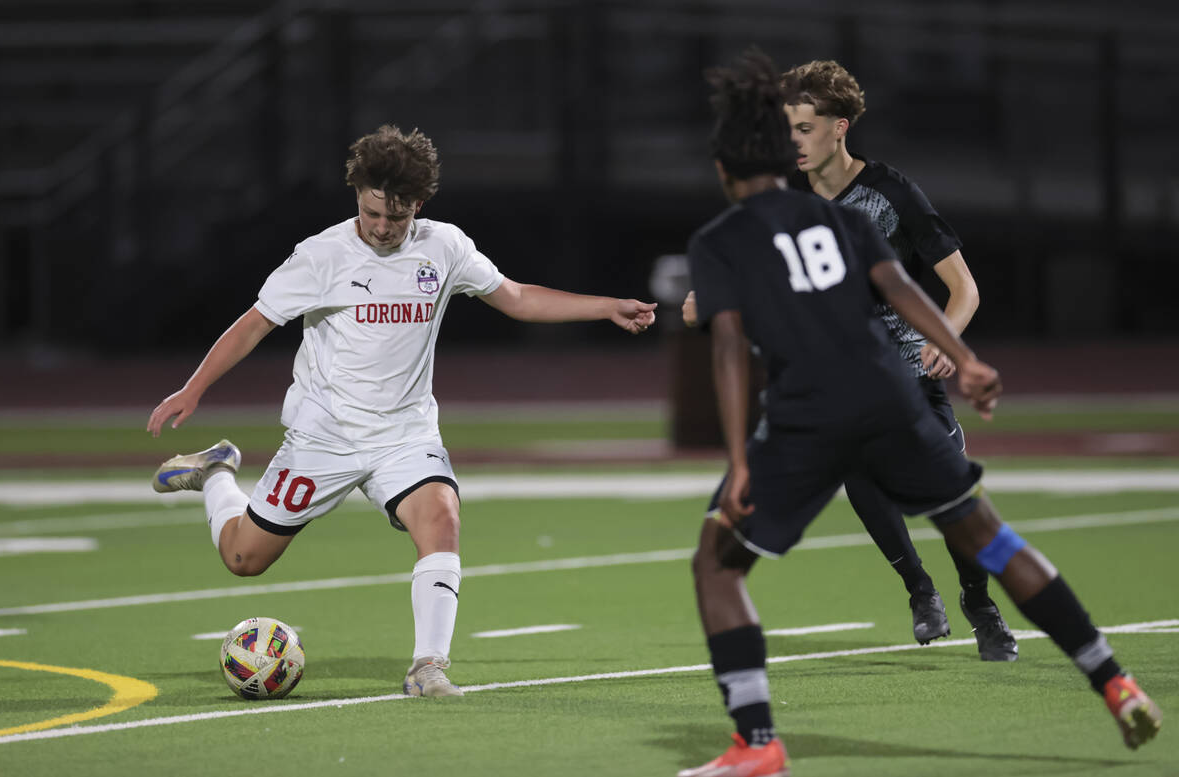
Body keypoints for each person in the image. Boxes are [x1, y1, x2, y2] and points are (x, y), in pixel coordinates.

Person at [678, 49, 1160, 777]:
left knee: (718, 563)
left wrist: (741, 459)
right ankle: (1111, 676)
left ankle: (756, 743)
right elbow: (903, 287)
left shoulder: (722, 241)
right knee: (991, 537)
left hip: (808, 417)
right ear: (783, 152)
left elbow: (723, 353)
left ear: (724, 171)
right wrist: (965, 361)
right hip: (891, 395)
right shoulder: (841, 217)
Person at [146, 125, 657, 698]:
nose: (382, 228)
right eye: (371, 214)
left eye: (396, 216)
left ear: (420, 203)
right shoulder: (322, 255)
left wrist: (606, 306)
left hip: (404, 435)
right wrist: (193, 389)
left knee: (442, 518)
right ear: (356, 197)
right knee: (243, 558)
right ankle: (217, 470)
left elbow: (514, 296)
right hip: (325, 436)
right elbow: (255, 323)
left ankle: (427, 666)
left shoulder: (445, 247)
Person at [684, 58, 1015, 659]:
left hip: (909, 378)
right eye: (787, 130)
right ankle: (919, 589)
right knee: (859, 479)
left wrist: (948, 343)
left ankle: (981, 604)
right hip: (841, 385)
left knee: (957, 508)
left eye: (805, 128)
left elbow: (962, 288)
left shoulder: (892, 192)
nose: (792, 143)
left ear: (840, 127)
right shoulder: (787, 204)